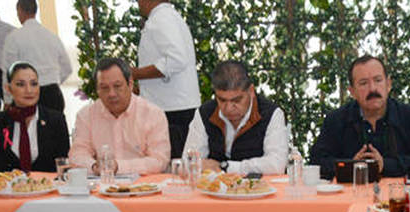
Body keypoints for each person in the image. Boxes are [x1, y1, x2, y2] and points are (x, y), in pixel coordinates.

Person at [309, 55, 410, 179]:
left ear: (388, 84)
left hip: (399, 192)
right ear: (352, 92)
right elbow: (317, 162)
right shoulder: (336, 120)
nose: (372, 89)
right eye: (363, 83)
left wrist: (385, 165)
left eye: (378, 80)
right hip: (351, 192)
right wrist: (350, 165)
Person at [182, 60, 289, 175]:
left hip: (258, 185)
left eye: (236, 100)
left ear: (251, 91)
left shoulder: (271, 114)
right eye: (222, 100)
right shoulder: (205, 113)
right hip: (214, 184)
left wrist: (226, 167)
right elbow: (187, 161)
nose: (228, 108)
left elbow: (276, 165)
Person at [69, 57, 169, 175]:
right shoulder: (86, 115)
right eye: (104, 88)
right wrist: (94, 166)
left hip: (143, 184)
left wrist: (118, 167)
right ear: (97, 90)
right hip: (101, 182)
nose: (111, 94)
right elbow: (77, 155)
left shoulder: (153, 114)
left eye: (117, 86)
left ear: (130, 84)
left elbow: (159, 160)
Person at [132, 0, 199, 159]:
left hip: (173, 111)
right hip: (174, 107)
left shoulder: (162, 18)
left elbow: (176, 59)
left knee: (174, 165)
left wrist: (136, 74)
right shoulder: (166, 16)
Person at [0, 62, 69, 172]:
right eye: (21, 84)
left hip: (49, 182)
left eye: (34, 84)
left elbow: (64, 164)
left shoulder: (55, 120)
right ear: (8, 88)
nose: (29, 90)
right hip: (10, 183)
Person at [1, 0, 71, 113]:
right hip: (53, 94)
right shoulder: (51, 36)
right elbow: (67, 68)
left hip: (27, 95)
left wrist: (7, 100)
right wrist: (52, 80)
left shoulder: (13, 37)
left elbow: (8, 71)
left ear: (20, 11)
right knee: (55, 124)